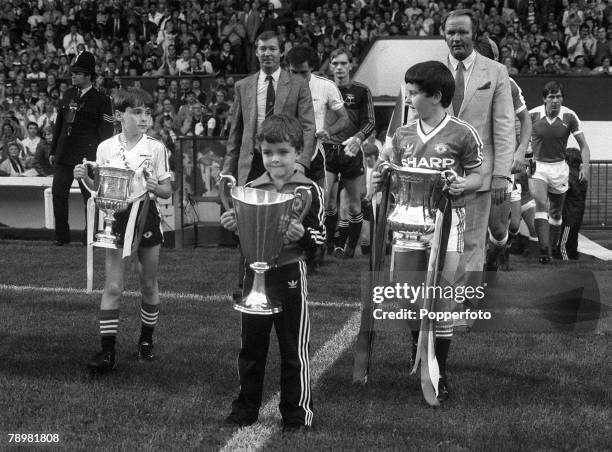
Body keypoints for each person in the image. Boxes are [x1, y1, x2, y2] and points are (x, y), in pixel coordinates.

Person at [374, 61, 483, 402]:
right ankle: (418, 351)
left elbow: (479, 174)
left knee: (442, 299)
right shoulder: (403, 133)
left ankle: (440, 370)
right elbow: (387, 167)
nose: (408, 98)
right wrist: (379, 176)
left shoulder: (463, 133)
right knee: (408, 298)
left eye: (413, 93)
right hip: (408, 225)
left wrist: (464, 183)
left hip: (447, 224)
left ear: (436, 96)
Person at [220, 114, 324, 432]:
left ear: (297, 152)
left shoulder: (309, 190)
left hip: (290, 273)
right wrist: (232, 227)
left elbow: (320, 238)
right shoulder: (250, 188)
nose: (275, 159)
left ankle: (296, 413)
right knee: (251, 346)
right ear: (260, 153)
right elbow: (244, 238)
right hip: (255, 274)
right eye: (268, 153)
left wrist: (302, 234)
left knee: (293, 347)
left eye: (282, 152)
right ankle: (245, 407)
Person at [73, 87, 172, 374]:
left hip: (145, 215)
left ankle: (146, 340)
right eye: (137, 112)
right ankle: (107, 351)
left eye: (147, 112)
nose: (144, 118)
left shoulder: (156, 147)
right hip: (115, 218)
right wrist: (86, 179)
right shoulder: (105, 147)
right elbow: (101, 190)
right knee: (113, 285)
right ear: (120, 115)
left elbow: (167, 189)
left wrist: (156, 187)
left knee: (148, 283)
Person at [443, 9, 515, 285]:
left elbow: (505, 126)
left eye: (462, 31)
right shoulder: (433, 71)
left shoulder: (496, 72)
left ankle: (464, 308)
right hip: (439, 174)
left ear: (474, 34)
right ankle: (442, 302)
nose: (457, 38)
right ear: (444, 36)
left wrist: (501, 175)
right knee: (440, 242)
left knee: (472, 243)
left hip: (481, 176)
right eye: (451, 32)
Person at [222, 30, 315, 186]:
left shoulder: (298, 84)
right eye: (263, 49)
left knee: (283, 210)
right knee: (251, 209)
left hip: (284, 161)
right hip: (252, 162)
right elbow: (235, 133)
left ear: (281, 52)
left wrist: (302, 161)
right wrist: (227, 169)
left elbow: (308, 127)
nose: (267, 53)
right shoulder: (242, 86)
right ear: (257, 53)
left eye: (272, 49)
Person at [472, 38, 532, 273]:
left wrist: (520, 152)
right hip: (470, 164)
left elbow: (526, 120)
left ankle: (493, 255)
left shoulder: (508, 83)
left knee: (500, 230)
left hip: (500, 165)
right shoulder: (457, 81)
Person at [49, 51, 114, 246]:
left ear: (89, 76)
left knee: (91, 198)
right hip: (64, 153)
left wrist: (103, 158)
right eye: (73, 72)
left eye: (78, 72)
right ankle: (62, 237)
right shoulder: (68, 94)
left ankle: (90, 236)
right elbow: (59, 124)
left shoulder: (102, 100)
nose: (73, 75)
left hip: (88, 157)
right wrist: (53, 150)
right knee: (58, 194)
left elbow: (106, 132)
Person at [528, 81, 590, 263]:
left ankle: (552, 247)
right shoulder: (532, 115)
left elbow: (584, 146)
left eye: (558, 97)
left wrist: (585, 165)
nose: (555, 100)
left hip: (560, 168)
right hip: (538, 166)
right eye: (551, 97)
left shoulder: (570, 117)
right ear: (544, 99)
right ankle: (543, 249)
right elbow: (519, 138)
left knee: (555, 213)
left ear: (562, 98)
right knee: (540, 203)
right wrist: (522, 155)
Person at [323, 49, 375, 259]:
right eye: (335, 63)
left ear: (351, 65)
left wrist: (358, 138)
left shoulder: (362, 91)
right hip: (327, 149)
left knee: (354, 204)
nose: (339, 67)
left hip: (351, 150)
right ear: (330, 66)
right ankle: (327, 246)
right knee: (327, 201)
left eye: (343, 63)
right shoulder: (323, 89)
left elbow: (370, 121)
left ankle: (350, 249)